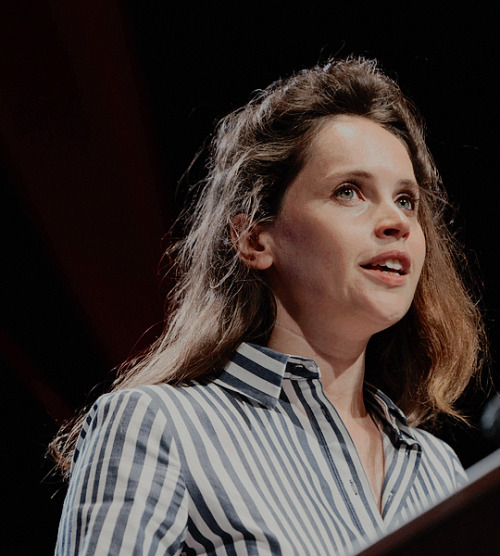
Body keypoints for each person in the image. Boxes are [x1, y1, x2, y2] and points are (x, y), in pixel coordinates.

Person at [51, 57, 486, 555]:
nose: (397, 222)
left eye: (406, 200)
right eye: (350, 192)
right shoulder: (159, 428)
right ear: (256, 239)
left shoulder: (439, 471)